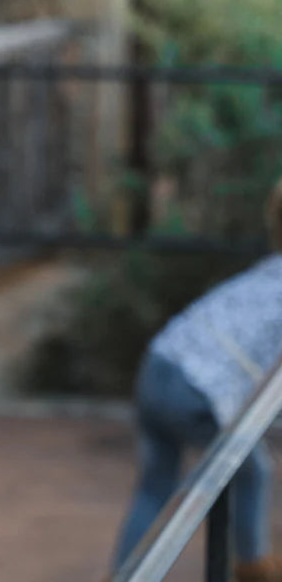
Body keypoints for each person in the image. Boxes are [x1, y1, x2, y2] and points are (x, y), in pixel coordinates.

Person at [110, 179, 282, 582]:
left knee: (156, 484)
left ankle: (121, 575)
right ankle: (253, 567)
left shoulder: (268, 271)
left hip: (158, 363)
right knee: (250, 469)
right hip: (194, 386)